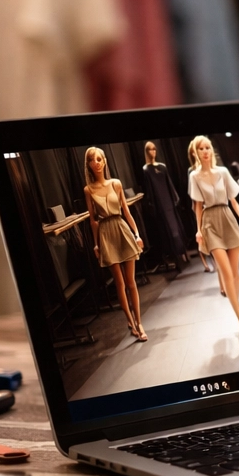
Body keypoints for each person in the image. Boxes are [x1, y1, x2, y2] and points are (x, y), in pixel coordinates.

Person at [188, 134, 239, 345]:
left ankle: (236, 301)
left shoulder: (223, 172)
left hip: (227, 218)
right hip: (210, 223)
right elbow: (197, 207)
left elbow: (233, 200)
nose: (205, 151)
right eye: (201, 148)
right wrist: (198, 230)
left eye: (207, 147)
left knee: (235, 273)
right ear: (196, 153)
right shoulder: (195, 176)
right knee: (225, 272)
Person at [83, 146, 146, 341]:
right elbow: (93, 220)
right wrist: (96, 244)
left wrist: (137, 234)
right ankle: (131, 322)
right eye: (93, 160)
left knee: (131, 282)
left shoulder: (116, 183)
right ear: (89, 165)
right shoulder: (88, 189)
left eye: (100, 159)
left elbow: (126, 212)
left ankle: (139, 322)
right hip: (105, 234)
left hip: (121, 229)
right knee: (119, 283)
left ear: (105, 161)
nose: (97, 163)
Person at [139, 141, 189, 268]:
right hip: (159, 204)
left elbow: (169, 184)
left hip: (169, 202)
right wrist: (152, 205)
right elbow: (149, 190)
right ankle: (175, 256)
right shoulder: (146, 169)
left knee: (176, 228)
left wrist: (174, 198)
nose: (153, 152)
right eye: (150, 150)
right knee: (168, 231)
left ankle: (183, 253)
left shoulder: (162, 167)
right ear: (146, 152)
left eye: (154, 149)